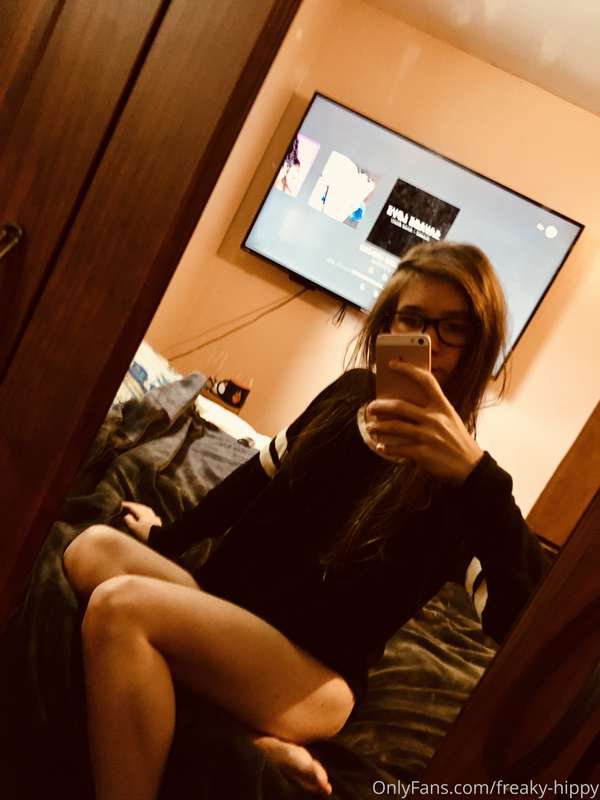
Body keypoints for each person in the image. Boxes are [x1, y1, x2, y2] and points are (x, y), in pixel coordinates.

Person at [63, 241, 549, 800]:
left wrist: (476, 476)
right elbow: (256, 476)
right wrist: (166, 536)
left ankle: (248, 727)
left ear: (480, 345)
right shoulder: (347, 395)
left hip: (313, 675)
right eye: (414, 320)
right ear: (388, 324)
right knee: (92, 548)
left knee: (119, 608)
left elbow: (523, 619)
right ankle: (246, 734)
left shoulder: (464, 485)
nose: (431, 342)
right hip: (230, 612)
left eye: (453, 328)